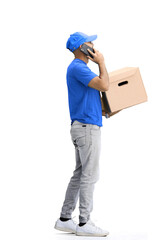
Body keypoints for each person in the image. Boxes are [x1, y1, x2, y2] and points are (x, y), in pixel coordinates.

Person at [54, 32, 110, 237]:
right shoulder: (79, 68)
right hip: (87, 128)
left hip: (84, 125)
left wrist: (104, 110)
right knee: (89, 175)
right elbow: (104, 85)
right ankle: (84, 222)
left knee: (79, 174)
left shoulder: (80, 70)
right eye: (89, 42)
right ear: (81, 48)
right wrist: (102, 62)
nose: (93, 44)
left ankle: (65, 219)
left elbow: (91, 97)